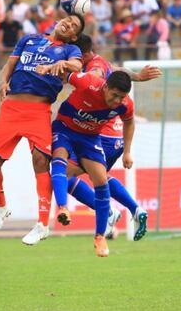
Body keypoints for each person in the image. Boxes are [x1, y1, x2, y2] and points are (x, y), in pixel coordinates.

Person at [0, 15, 84, 245]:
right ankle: (0, 207)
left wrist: (64, 65)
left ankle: (41, 224)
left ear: (74, 36)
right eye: (68, 20)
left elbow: (77, 65)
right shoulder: (29, 39)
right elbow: (8, 66)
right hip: (11, 108)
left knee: (40, 160)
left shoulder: (70, 49)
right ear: (59, 20)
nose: (68, 24)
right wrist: (3, 83)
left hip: (39, 110)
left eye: (74, 26)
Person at [63, 34, 159, 239]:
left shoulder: (94, 69)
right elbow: (118, 72)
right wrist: (137, 76)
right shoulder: (101, 62)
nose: (71, 58)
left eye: (73, 55)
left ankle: (108, 211)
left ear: (82, 54)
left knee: (63, 174)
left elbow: (96, 81)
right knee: (100, 176)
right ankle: (135, 209)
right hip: (114, 137)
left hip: (101, 135)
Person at [41, 69, 135, 257]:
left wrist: (127, 152)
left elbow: (130, 122)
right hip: (64, 129)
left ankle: (100, 236)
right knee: (59, 159)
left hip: (90, 138)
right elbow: (63, 73)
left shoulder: (125, 105)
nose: (117, 101)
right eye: (114, 95)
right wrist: (47, 68)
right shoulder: (88, 82)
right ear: (105, 86)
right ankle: (63, 207)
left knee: (101, 180)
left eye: (121, 97)